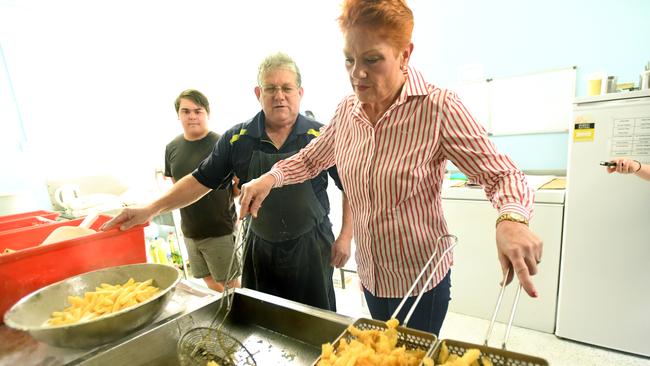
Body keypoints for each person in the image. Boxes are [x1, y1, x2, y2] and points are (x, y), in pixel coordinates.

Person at [238, 0, 542, 336]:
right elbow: (312, 159)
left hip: (419, 279)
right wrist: (270, 178)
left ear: (404, 54)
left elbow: (501, 174)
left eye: (372, 59)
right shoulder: (347, 111)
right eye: (349, 60)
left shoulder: (437, 107)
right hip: (370, 274)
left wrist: (512, 219)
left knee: (412, 357)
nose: (357, 73)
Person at [102, 53, 353, 312]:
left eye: (287, 88)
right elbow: (200, 181)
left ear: (300, 92)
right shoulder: (238, 139)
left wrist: (345, 236)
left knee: (317, 320)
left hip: (311, 245)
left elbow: (350, 187)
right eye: (271, 88)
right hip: (259, 248)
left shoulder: (320, 136)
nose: (279, 95)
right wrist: (149, 209)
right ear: (258, 93)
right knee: (265, 321)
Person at [164, 89, 240, 292]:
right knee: (207, 280)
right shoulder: (172, 147)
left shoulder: (222, 143)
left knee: (231, 287)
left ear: (207, 113)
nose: (192, 116)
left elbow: (238, 186)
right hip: (190, 230)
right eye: (186, 111)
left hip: (219, 230)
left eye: (198, 111)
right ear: (178, 115)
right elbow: (177, 188)